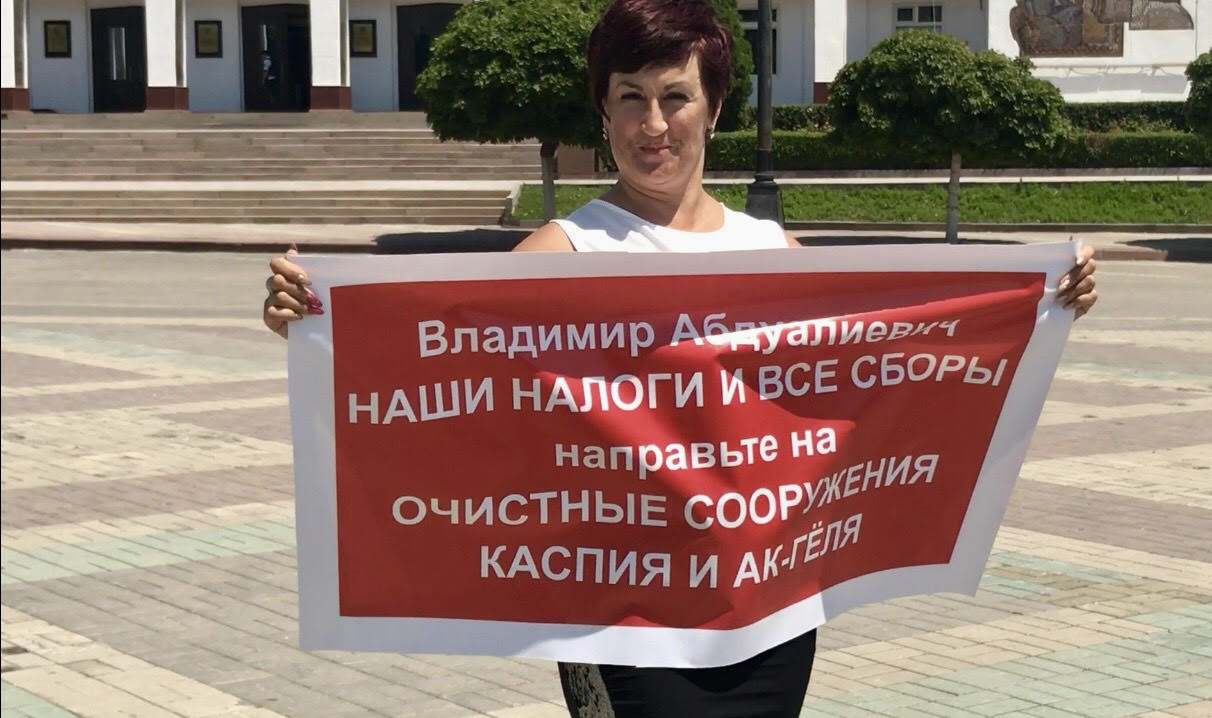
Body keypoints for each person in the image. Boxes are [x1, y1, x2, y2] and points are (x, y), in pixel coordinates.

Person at [262, 1, 1099, 715]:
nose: (653, 125)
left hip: (767, 610)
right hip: (620, 617)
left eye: (675, 97)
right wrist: (320, 320)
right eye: (630, 98)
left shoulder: (770, 251)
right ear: (603, 111)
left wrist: (1040, 299)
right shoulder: (564, 251)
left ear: (715, 107)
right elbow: (442, 373)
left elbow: (884, 364)